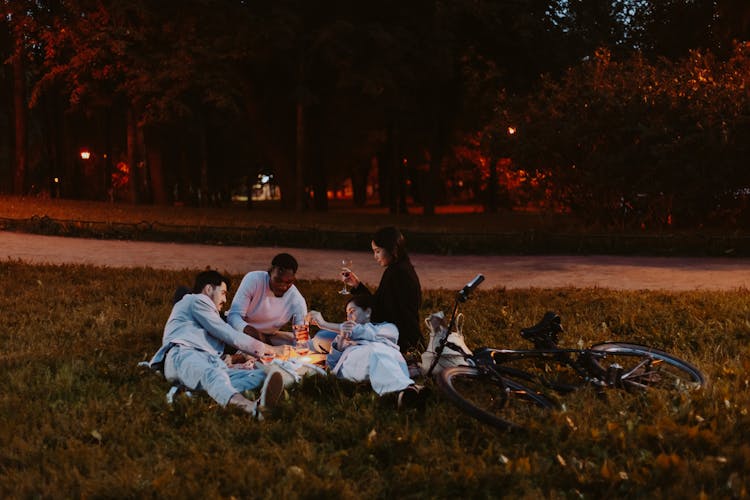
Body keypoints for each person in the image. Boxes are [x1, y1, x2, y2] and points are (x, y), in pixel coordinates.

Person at [148, 270, 287, 418]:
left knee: (259, 376)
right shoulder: (195, 300)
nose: (225, 300)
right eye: (223, 293)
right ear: (208, 289)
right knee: (213, 376)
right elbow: (228, 334)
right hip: (184, 354)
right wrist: (270, 350)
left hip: (210, 361)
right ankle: (251, 408)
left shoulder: (211, 314)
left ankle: (191, 394)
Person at [314, 227, 422, 355]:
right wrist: (357, 285)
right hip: (396, 337)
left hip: (396, 343)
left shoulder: (398, 274)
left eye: (377, 251)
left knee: (322, 337)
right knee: (324, 336)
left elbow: (379, 312)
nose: (375, 256)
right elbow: (379, 304)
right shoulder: (400, 269)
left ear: (391, 249)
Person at [307, 294, 421, 407]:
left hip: (387, 359)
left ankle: (405, 392)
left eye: (352, 311)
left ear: (367, 312)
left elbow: (365, 332)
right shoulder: (343, 338)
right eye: (347, 314)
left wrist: (324, 324)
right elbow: (332, 365)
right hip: (358, 364)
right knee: (375, 352)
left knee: (379, 352)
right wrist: (341, 339)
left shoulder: (388, 328)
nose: (348, 317)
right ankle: (407, 389)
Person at [227, 253, 308, 346]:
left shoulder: (297, 301)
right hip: (239, 332)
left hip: (269, 337)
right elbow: (233, 316)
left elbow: (301, 337)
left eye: (288, 282)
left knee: (306, 343)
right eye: (278, 280)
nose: (283, 286)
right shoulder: (254, 280)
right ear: (269, 272)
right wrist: (253, 333)